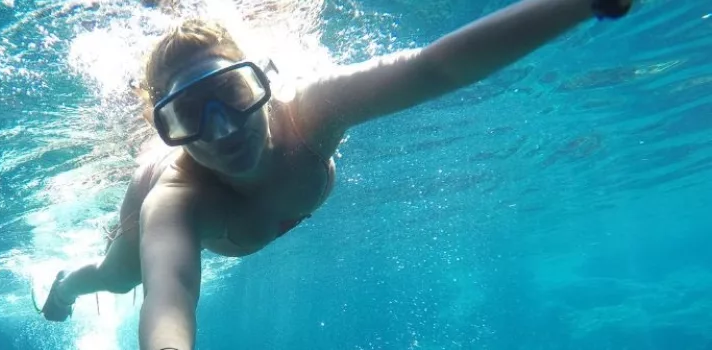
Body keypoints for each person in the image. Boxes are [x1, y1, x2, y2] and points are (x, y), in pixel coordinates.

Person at [41, 0, 634, 348]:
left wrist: (575, 4)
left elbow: (430, 68)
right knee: (120, 278)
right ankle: (65, 284)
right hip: (144, 204)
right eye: (189, 118)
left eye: (231, 94)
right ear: (166, 130)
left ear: (264, 83)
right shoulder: (176, 198)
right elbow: (171, 298)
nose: (221, 131)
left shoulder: (310, 113)